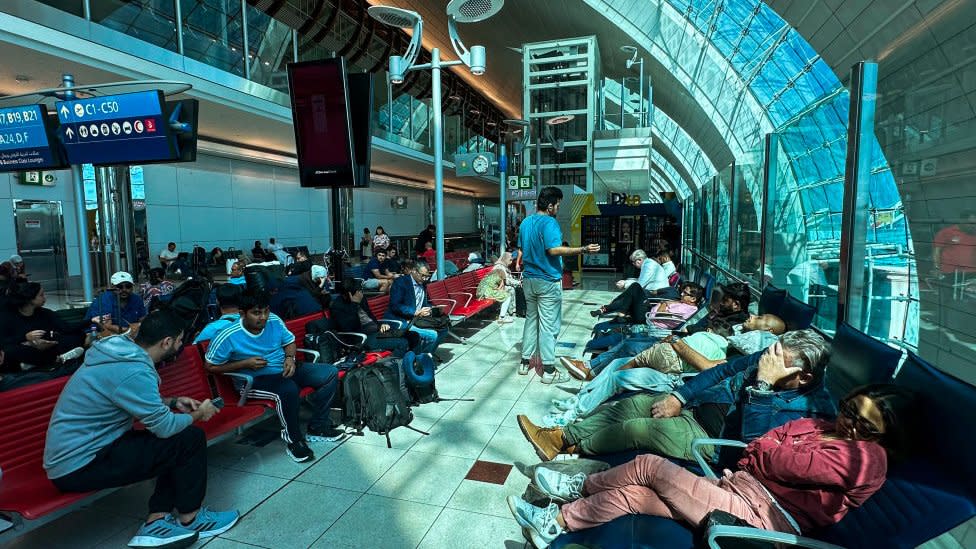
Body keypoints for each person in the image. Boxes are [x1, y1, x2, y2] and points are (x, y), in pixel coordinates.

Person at [508, 384, 915, 548]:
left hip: (761, 521)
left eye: (864, 424)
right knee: (636, 494)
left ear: (884, 435)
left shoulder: (867, 460)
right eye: (849, 409)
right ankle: (557, 524)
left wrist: (766, 455)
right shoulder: (825, 424)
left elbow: (783, 459)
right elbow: (766, 444)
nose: (849, 423)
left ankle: (578, 487)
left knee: (649, 465)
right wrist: (765, 455)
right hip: (740, 488)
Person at [44, 310, 239, 548]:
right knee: (187, 438)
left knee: (176, 442)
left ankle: (158, 520)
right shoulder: (134, 370)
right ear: (167, 342)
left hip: (88, 452)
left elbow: (123, 395)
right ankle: (190, 518)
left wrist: (173, 401)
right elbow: (165, 428)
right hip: (79, 465)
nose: (180, 345)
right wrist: (200, 413)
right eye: (179, 341)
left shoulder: (118, 352)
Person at [516, 330, 835, 462]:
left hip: (715, 441)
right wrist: (680, 397)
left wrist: (763, 386)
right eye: (771, 353)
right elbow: (719, 372)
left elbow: (756, 446)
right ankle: (559, 437)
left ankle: (574, 447)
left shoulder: (811, 411)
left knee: (639, 428)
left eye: (776, 361)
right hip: (696, 408)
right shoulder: (772, 355)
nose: (766, 360)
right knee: (632, 405)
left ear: (804, 376)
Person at [545, 314, 786, 427]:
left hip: (676, 378)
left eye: (761, 318)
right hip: (672, 359)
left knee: (620, 375)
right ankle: (580, 399)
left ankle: (574, 414)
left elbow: (709, 368)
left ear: (768, 333)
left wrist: (679, 346)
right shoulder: (736, 336)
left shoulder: (748, 353)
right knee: (618, 363)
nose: (754, 315)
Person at [204, 291, 343, 462]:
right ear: (242, 313)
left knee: (329, 373)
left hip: (284, 370)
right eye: (256, 313)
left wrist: (290, 359)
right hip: (254, 382)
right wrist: (244, 364)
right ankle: (294, 441)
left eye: (265, 311)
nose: (263, 317)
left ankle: (318, 427)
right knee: (288, 389)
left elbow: (289, 342)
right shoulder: (228, 336)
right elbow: (210, 366)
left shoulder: (274, 321)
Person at [518, 186, 600, 383]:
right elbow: (553, 250)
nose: (558, 209)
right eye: (557, 205)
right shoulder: (549, 223)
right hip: (547, 281)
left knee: (531, 320)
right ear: (549, 205)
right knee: (548, 325)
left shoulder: (525, 223)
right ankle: (548, 370)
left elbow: (522, 250)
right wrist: (582, 249)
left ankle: (524, 362)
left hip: (529, 280)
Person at [0, 281, 86, 372]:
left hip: (44, 347)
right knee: (9, 351)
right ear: (31, 300)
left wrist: (48, 343)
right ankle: (56, 359)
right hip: (21, 348)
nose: (44, 298)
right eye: (41, 295)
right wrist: (26, 339)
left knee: (77, 335)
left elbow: (66, 328)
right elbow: (4, 341)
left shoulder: (44, 313)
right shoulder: (7, 316)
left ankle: (34, 363)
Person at [330, 278, 418, 357]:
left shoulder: (361, 298)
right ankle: (391, 368)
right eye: (359, 291)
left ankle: (414, 363)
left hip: (376, 332)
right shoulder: (337, 306)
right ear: (349, 294)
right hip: (362, 338)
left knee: (414, 336)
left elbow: (370, 316)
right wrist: (354, 304)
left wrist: (380, 325)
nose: (361, 293)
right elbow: (349, 328)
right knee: (402, 343)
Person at [385, 260, 443, 355]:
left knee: (444, 327)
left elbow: (424, 303)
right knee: (432, 335)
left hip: (418, 318)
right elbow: (395, 305)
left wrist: (431, 309)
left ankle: (424, 355)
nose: (424, 278)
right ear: (414, 271)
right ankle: (419, 358)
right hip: (402, 320)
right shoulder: (401, 283)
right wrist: (414, 312)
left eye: (427, 276)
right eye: (422, 275)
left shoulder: (423, 284)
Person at [87, 271, 148, 336]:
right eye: (120, 286)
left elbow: (143, 319)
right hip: (100, 333)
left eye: (128, 286)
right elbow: (105, 326)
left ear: (132, 287)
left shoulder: (136, 299)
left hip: (128, 335)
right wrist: (129, 330)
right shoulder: (104, 300)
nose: (124, 289)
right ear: (112, 287)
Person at [685, 282, 751, 334]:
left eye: (725, 300)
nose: (720, 303)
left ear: (736, 305)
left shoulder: (734, 324)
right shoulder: (725, 313)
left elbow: (712, 334)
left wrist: (690, 329)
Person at [477, 252, 517, 324]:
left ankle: (509, 312)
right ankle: (503, 316)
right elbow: (504, 283)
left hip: (483, 289)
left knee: (508, 291)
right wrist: (517, 283)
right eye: (510, 260)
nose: (511, 262)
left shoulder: (502, 267)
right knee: (507, 294)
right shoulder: (500, 268)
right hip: (486, 291)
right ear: (505, 259)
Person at [932, 210, 976, 275]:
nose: (973, 226)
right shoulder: (946, 232)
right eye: (971, 223)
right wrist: (936, 268)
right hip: (950, 273)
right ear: (962, 221)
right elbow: (937, 251)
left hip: (972, 272)